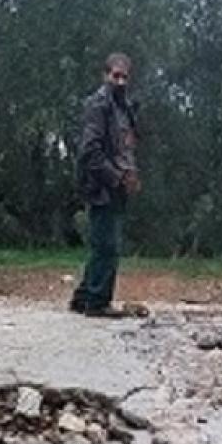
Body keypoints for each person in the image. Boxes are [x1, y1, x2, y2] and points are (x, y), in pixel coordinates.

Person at [71, 52, 140, 319]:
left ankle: (83, 297)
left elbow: (125, 147)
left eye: (124, 77)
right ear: (105, 75)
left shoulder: (124, 108)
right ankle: (98, 302)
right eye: (116, 76)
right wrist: (116, 177)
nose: (120, 81)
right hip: (101, 186)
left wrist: (131, 174)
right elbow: (90, 152)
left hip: (118, 185)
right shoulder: (98, 105)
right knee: (107, 245)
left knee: (104, 243)